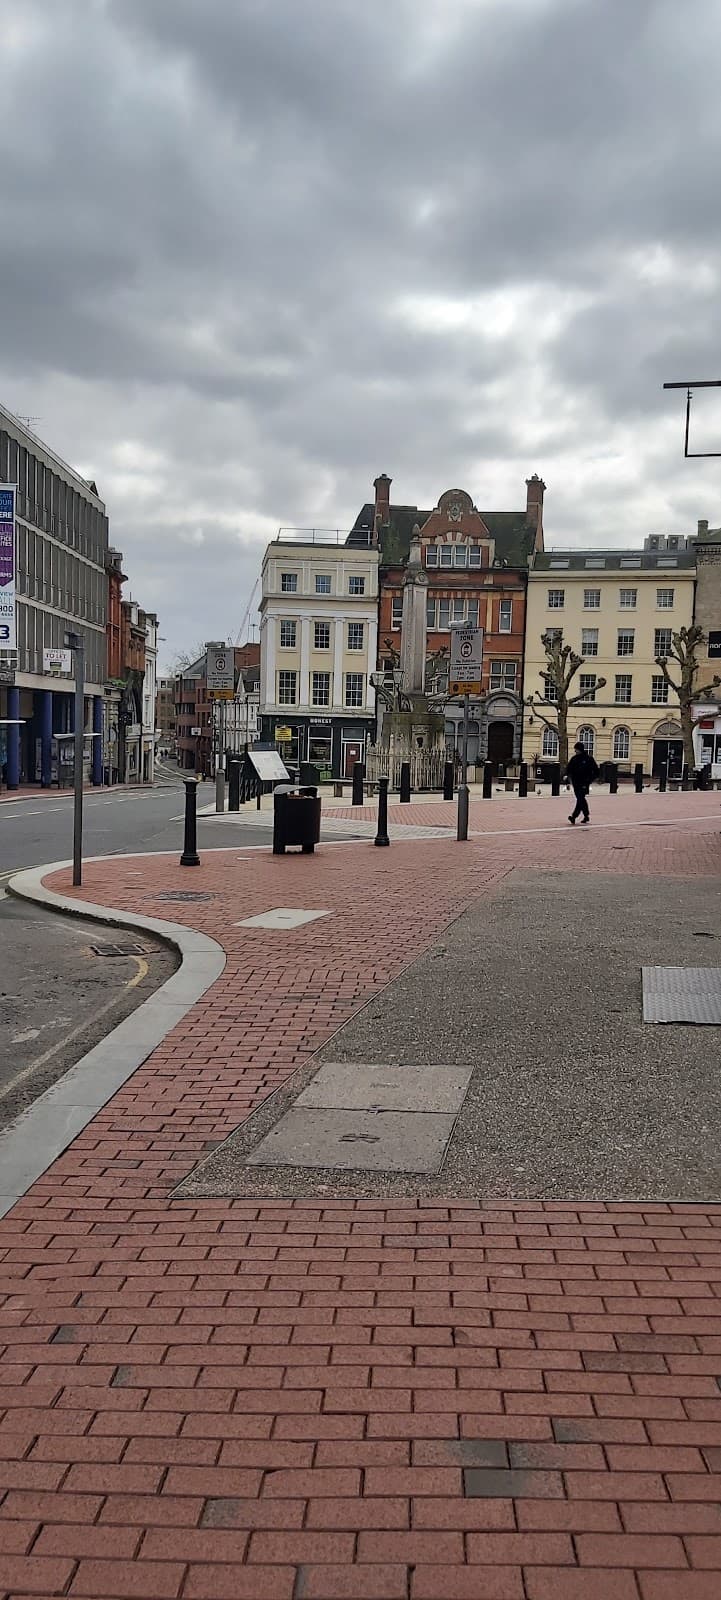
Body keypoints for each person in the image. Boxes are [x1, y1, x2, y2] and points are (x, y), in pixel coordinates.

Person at [566, 741, 599, 824]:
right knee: (581, 799)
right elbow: (569, 769)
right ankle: (586, 815)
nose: (575, 751)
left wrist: (590, 780)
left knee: (580, 799)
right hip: (575, 783)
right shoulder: (574, 759)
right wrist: (567, 778)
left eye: (576, 749)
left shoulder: (588, 759)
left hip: (584, 783)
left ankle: (573, 816)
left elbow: (596, 771)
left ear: (580, 749)